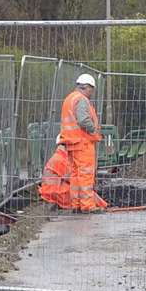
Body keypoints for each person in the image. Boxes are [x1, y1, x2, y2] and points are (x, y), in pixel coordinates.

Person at [43, 73, 107, 212]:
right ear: (88, 87)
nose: (92, 93)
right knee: (85, 175)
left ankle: (76, 204)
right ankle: (87, 206)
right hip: (83, 143)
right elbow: (84, 120)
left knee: (76, 175)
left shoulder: (69, 98)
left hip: (72, 143)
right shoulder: (81, 99)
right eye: (92, 89)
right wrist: (94, 130)